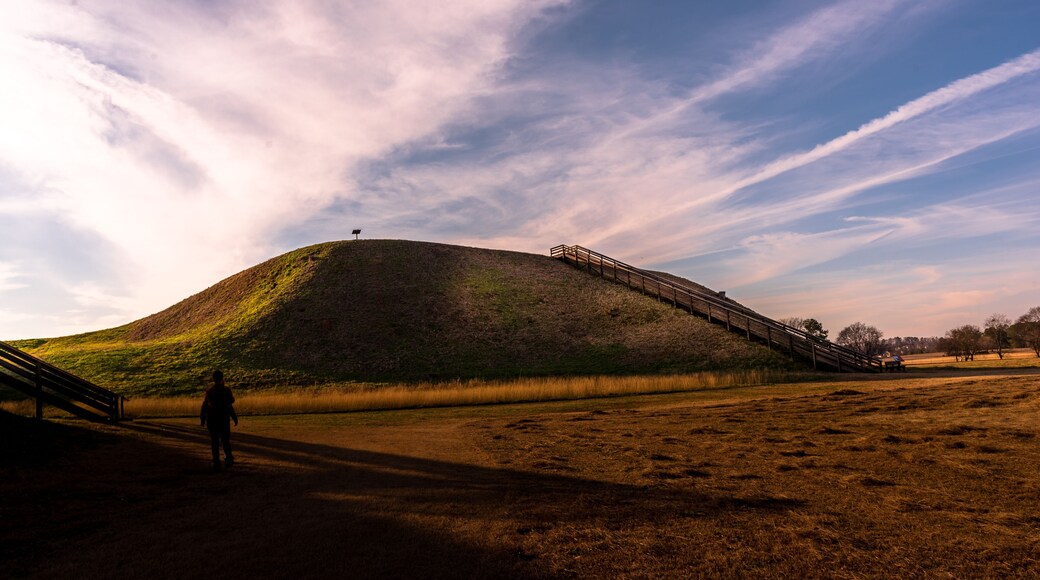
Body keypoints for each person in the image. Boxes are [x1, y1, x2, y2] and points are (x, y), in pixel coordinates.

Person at [201, 370, 238, 471]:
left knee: (214, 442)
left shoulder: (210, 391)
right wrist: (234, 417)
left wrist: (202, 418)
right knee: (225, 441)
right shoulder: (226, 390)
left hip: (212, 419)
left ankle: (216, 462)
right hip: (224, 419)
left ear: (214, 379)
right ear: (222, 378)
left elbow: (205, 405)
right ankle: (228, 459)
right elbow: (231, 402)